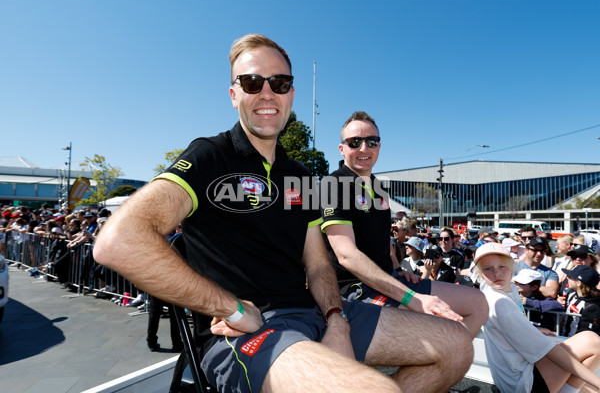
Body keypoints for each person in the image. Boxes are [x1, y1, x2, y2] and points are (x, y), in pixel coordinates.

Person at [94, 34, 462, 393]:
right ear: (233, 94)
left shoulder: (300, 175)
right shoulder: (210, 156)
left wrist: (336, 321)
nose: (267, 93)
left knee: (456, 347)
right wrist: (233, 309)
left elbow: (318, 265)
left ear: (291, 95)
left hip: (314, 313)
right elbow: (119, 241)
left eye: (280, 82)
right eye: (252, 82)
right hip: (246, 332)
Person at [320, 110, 487, 342]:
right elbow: (346, 255)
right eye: (354, 142)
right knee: (439, 336)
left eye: (372, 141)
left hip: (388, 279)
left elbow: (381, 243)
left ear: (379, 146)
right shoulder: (331, 185)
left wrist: (398, 271)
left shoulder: (377, 188)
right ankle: (445, 355)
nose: (363, 148)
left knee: (478, 303)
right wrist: (411, 298)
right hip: (353, 289)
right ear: (342, 149)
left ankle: (446, 359)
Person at [473, 242, 600, 393]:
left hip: (513, 374)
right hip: (522, 382)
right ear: (481, 272)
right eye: (488, 268)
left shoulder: (500, 288)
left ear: (512, 267)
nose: (497, 274)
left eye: (502, 266)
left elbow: (509, 325)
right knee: (593, 342)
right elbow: (552, 353)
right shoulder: (501, 304)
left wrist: (531, 329)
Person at [562, 265, 600, 337]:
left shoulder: (593, 307)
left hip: (578, 344)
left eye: (570, 277)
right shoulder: (571, 294)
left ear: (578, 283)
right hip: (564, 337)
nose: (567, 278)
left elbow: (590, 334)